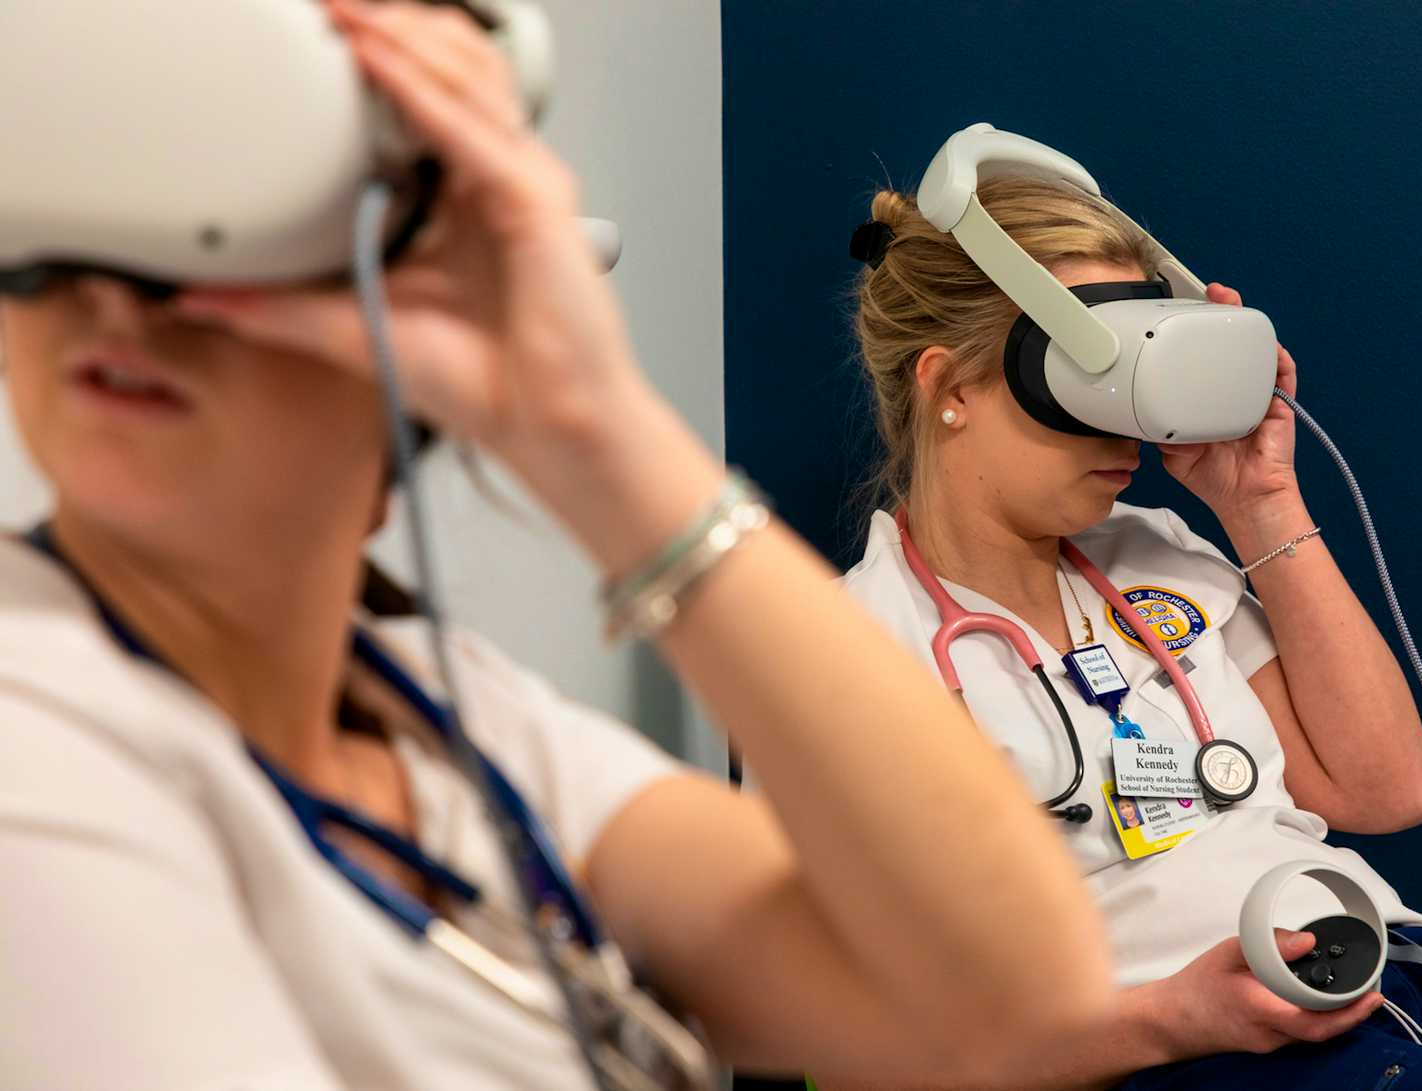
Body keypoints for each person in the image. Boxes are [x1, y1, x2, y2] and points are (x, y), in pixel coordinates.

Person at [0, 5, 1120, 1087]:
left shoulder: (456, 723)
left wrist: (589, 427)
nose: (113, 307)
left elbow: (1007, 992)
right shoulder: (36, 734)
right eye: (55, 246)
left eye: (206, 251)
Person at [839, 171, 1422, 1089]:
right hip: (1181, 1036)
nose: (1122, 426)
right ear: (950, 386)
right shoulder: (846, 650)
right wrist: (1171, 1018)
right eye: (1083, 378)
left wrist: (1259, 501)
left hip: (1386, 957)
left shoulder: (1155, 548)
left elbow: (1382, 789)